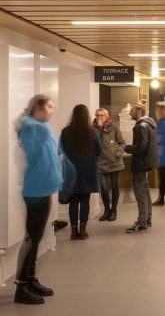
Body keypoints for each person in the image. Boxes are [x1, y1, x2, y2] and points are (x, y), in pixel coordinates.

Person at [14, 95, 63, 305]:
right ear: (38, 107)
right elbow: (36, 156)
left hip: (44, 188)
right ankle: (21, 286)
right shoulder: (34, 128)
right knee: (32, 239)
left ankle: (31, 279)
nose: (52, 110)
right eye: (49, 106)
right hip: (36, 189)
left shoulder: (38, 127)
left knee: (36, 237)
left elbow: (52, 155)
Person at [60, 104, 102, 240]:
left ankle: (73, 231)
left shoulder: (66, 131)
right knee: (85, 200)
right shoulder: (93, 131)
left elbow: (60, 150)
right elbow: (99, 151)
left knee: (73, 200)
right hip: (87, 170)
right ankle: (83, 230)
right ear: (87, 116)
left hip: (71, 170)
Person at [124, 102, 158, 233]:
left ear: (139, 111)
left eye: (132, 111)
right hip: (147, 164)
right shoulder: (149, 124)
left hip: (141, 164)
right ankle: (147, 218)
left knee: (140, 194)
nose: (130, 113)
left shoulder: (141, 127)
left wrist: (127, 148)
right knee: (145, 192)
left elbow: (141, 147)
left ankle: (142, 222)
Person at [94, 108, 126, 222]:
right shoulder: (93, 129)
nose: (99, 117)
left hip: (114, 161)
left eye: (102, 115)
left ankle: (114, 210)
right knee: (103, 188)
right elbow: (93, 143)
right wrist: (98, 128)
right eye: (97, 115)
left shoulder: (114, 127)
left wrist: (118, 152)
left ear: (107, 117)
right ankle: (107, 210)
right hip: (100, 162)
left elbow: (122, 143)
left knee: (114, 186)